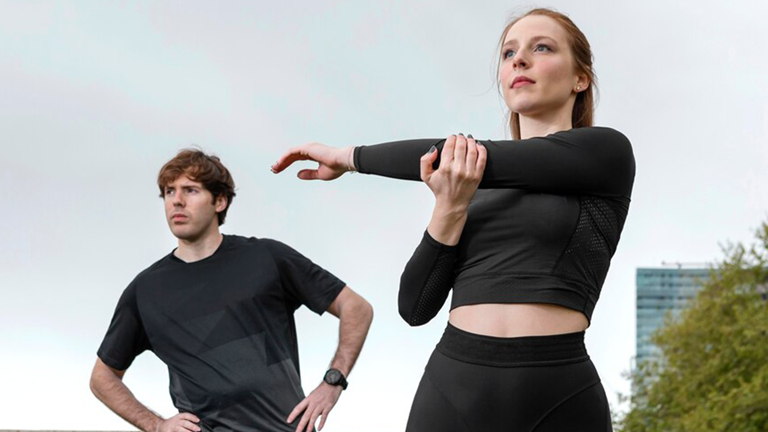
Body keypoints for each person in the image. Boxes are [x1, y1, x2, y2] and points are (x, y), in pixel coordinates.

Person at [271, 8, 635, 432]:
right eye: (508, 53)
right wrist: (450, 208)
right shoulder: (468, 184)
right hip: (453, 388)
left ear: (580, 78)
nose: (519, 60)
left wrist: (348, 157)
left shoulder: (605, 154)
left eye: (542, 48)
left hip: (559, 394)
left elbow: (474, 156)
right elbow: (415, 307)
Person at [90, 149, 373, 432]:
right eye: (169, 191)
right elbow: (102, 377)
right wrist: (156, 425)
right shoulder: (145, 291)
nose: (176, 200)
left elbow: (356, 308)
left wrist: (332, 382)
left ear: (220, 201)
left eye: (190, 190)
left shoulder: (266, 257)